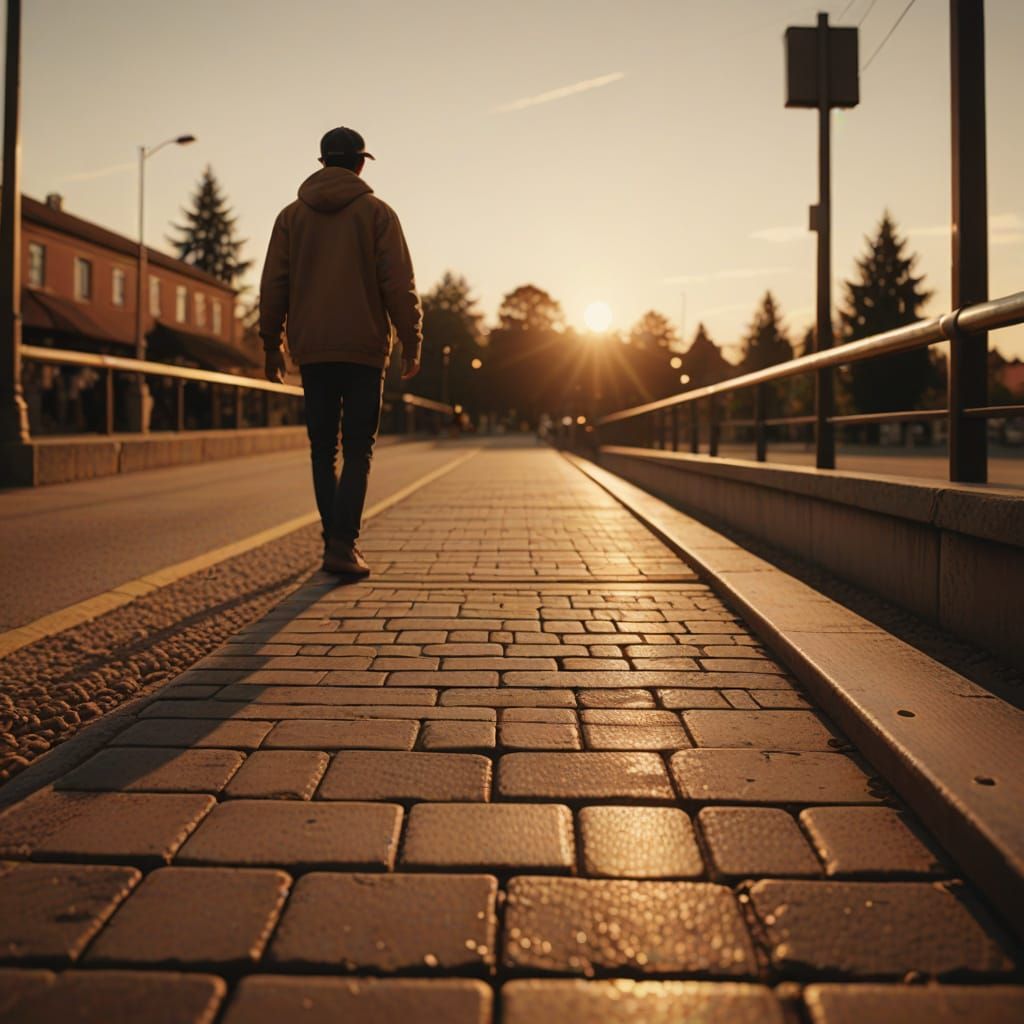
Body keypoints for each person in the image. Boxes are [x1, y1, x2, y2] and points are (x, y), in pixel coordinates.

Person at [260, 126, 422, 576]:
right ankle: (342, 545)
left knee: (321, 450)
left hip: (313, 349)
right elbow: (399, 285)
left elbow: (274, 284)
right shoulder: (377, 214)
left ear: (322, 163)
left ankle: (333, 543)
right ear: (359, 163)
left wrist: (271, 344)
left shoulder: (290, 217)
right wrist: (412, 341)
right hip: (364, 348)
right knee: (357, 449)